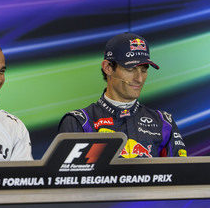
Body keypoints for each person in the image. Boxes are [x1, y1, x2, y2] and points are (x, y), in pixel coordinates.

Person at [58, 33, 187, 158]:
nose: (139, 79)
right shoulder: (79, 122)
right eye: (130, 69)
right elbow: (67, 178)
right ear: (108, 67)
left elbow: (180, 176)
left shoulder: (164, 122)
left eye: (144, 70)